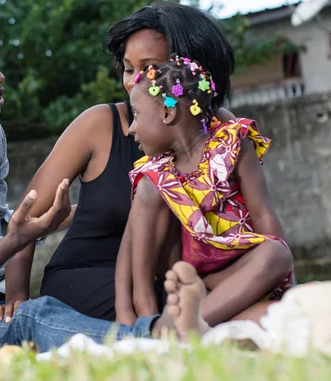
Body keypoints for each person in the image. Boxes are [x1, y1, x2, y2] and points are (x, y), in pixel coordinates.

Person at [0, 25, 210, 351]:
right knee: (32, 318)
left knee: (41, 313)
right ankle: (156, 338)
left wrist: (66, 218)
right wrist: (14, 241)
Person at [1, 3, 237, 322]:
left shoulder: (221, 130)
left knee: (248, 294)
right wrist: (17, 299)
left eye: (149, 68)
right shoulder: (100, 124)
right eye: (128, 69)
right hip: (87, 279)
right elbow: (26, 218)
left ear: (191, 70)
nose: (133, 83)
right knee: (202, 309)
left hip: (177, 278)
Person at [114, 55, 294, 327]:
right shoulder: (155, 175)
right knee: (150, 189)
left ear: (167, 113)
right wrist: (125, 309)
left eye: (136, 115)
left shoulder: (232, 144)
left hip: (241, 274)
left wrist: (281, 280)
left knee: (277, 254)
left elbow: (264, 214)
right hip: (193, 280)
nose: (131, 128)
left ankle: (188, 326)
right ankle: (166, 321)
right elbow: (130, 247)